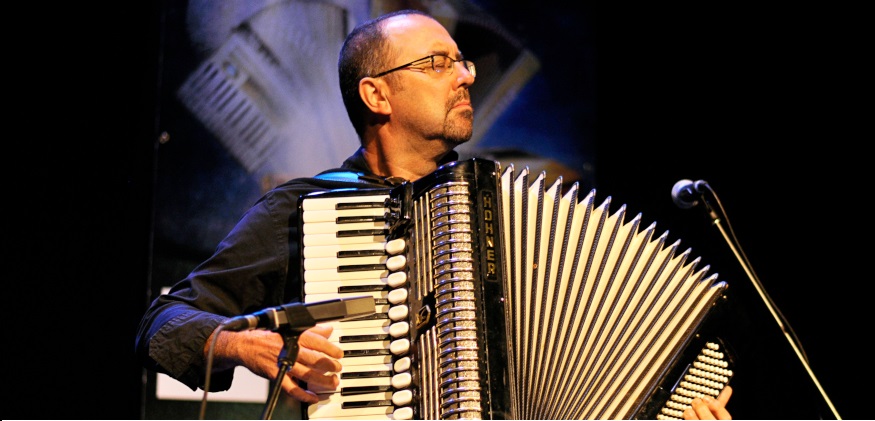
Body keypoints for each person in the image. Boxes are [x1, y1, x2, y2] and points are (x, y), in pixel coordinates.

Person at [135, 9, 733, 419]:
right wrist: (248, 347)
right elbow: (161, 323)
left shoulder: (507, 209)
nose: (466, 76)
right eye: (438, 64)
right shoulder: (308, 209)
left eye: (463, 62)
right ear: (377, 95)